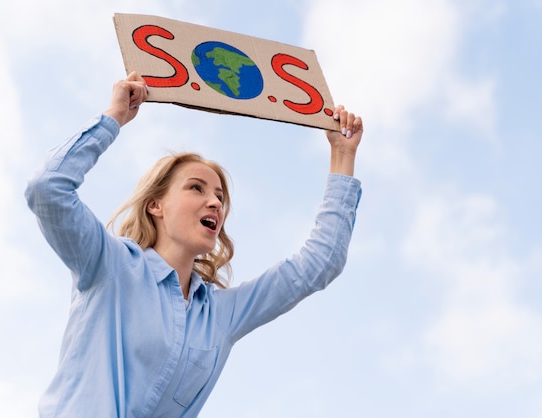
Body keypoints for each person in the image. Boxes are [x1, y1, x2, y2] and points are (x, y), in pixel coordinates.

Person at [25, 71, 363, 417]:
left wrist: (342, 156)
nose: (216, 203)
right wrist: (115, 117)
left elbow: (321, 263)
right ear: (156, 205)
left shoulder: (219, 315)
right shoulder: (108, 265)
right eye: (196, 188)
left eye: (219, 196)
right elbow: (47, 188)